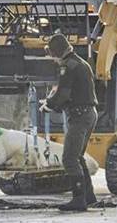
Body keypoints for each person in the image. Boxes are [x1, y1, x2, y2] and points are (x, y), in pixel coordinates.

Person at [41, 34, 99, 212]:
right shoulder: (81, 63)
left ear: (57, 52)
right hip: (89, 113)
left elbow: (64, 94)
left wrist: (48, 105)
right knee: (78, 156)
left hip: (80, 116)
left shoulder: (68, 67)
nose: (52, 58)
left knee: (69, 158)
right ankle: (89, 197)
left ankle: (78, 199)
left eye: (52, 54)